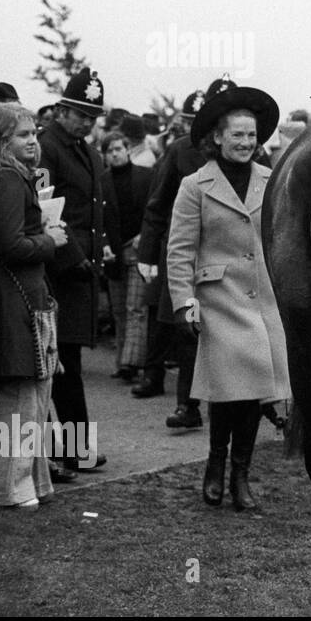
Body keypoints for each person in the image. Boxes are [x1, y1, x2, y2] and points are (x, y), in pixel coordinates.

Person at [166, 85, 290, 511]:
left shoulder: (271, 181)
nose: (245, 143)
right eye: (237, 135)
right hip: (218, 299)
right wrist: (183, 302)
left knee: (254, 390)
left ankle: (241, 474)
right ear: (217, 138)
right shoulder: (194, 186)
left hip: (262, 299)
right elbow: (180, 250)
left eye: (252, 136)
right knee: (228, 391)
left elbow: (280, 239)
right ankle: (216, 464)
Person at [36, 70, 120, 474]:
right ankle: (71, 448)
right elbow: (43, 209)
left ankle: (72, 447)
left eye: (92, 115)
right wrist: (71, 258)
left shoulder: (85, 150)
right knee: (61, 362)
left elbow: (92, 210)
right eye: (79, 113)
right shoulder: (46, 147)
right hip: (59, 271)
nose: (86, 122)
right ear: (62, 109)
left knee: (69, 363)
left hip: (82, 272)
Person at [135, 83, 228, 419]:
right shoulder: (178, 151)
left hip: (228, 257)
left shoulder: (247, 151)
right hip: (185, 253)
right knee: (186, 327)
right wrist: (147, 253)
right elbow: (157, 205)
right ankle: (186, 404)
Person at [0, 104, 68, 507]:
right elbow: (9, 245)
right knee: (21, 396)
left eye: (35, 134)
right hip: (16, 299)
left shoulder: (14, 177)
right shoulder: (6, 179)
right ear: (3, 141)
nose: (33, 143)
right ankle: (10, 487)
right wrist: (49, 242)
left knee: (34, 395)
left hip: (26, 297)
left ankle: (29, 483)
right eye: (23, 136)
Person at [99, 131, 154, 384]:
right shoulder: (101, 182)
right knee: (119, 310)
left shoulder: (145, 177)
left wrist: (146, 234)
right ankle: (122, 360)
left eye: (118, 149)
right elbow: (96, 219)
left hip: (137, 247)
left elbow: (154, 210)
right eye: (109, 151)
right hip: (113, 251)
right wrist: (103, 244)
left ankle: (131, 363)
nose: (115, 154)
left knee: (136, 308)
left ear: (128, 150)